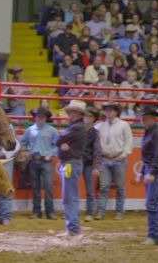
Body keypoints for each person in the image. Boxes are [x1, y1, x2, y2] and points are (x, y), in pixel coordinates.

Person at [95, 102, 133, 220]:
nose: (108, 112)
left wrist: (124, 154)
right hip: (105, 158)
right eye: (106, 110)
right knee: (103, 187)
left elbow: (129, 141)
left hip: (118, 158)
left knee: (120, 187)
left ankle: (119, 211)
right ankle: (101, 211)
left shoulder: (124, 125)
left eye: (111, 110)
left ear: (116, 112)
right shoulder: (100, 126)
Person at [56, 100, 88, 237]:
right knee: (70, 196)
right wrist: (63, 140)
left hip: (70, 163)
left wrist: (62, 139)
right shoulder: (78, 127)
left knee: (69, 197)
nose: (69, 113)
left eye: (71, 111)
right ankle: (72, 227)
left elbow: (57, 139)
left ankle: (73, 228)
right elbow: (60, 139)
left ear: (77, 113)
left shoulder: (77, 127)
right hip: (71, 162)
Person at [20, 107, 59, 220]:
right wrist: (26, 152)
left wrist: (50, 155)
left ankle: (49, 211)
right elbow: (24, 143)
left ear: (46, 118)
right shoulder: (29, 130)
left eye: (42, 116)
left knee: (48, 186)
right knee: (35, 187)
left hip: (46, 160)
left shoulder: (52, 130)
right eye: (38, 116)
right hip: (33, 160)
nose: (40, 118)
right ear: (35, 117)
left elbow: (56, 145)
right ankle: (37, 211)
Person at [139, 105, 158, 246]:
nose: (143, 120)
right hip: (152, 168)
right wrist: (143, 171)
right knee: (151, 202)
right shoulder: (150, 131)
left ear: (152, 118)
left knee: (151, 203)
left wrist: (152, 172)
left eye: (145, 118)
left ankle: (154, 235)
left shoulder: (156, 133)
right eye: (143, 118)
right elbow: (148, 155)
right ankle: (157, 235)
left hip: (157, 169)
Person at [82, 107, 103, 222]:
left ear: (94, 119)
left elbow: (97, 150)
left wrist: (97, 166)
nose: (87, 118)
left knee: (89, 189)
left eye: (90, 116)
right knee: (71, 188)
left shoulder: (95, 133)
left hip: (88, 162)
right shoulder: (77, 129)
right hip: (75, 161)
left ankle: (89, 212)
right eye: (86, 115)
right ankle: (70, 211)